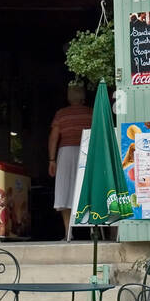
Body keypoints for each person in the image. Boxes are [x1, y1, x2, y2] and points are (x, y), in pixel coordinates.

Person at [47, 83, 92, 241]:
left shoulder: (61, 114)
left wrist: (52, 160)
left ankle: (68, 232)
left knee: (65, 191)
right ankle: (93, 229)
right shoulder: (90, 113)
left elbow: (54, 137)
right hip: (87, 152)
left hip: (66, 153)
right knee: (86, 189)